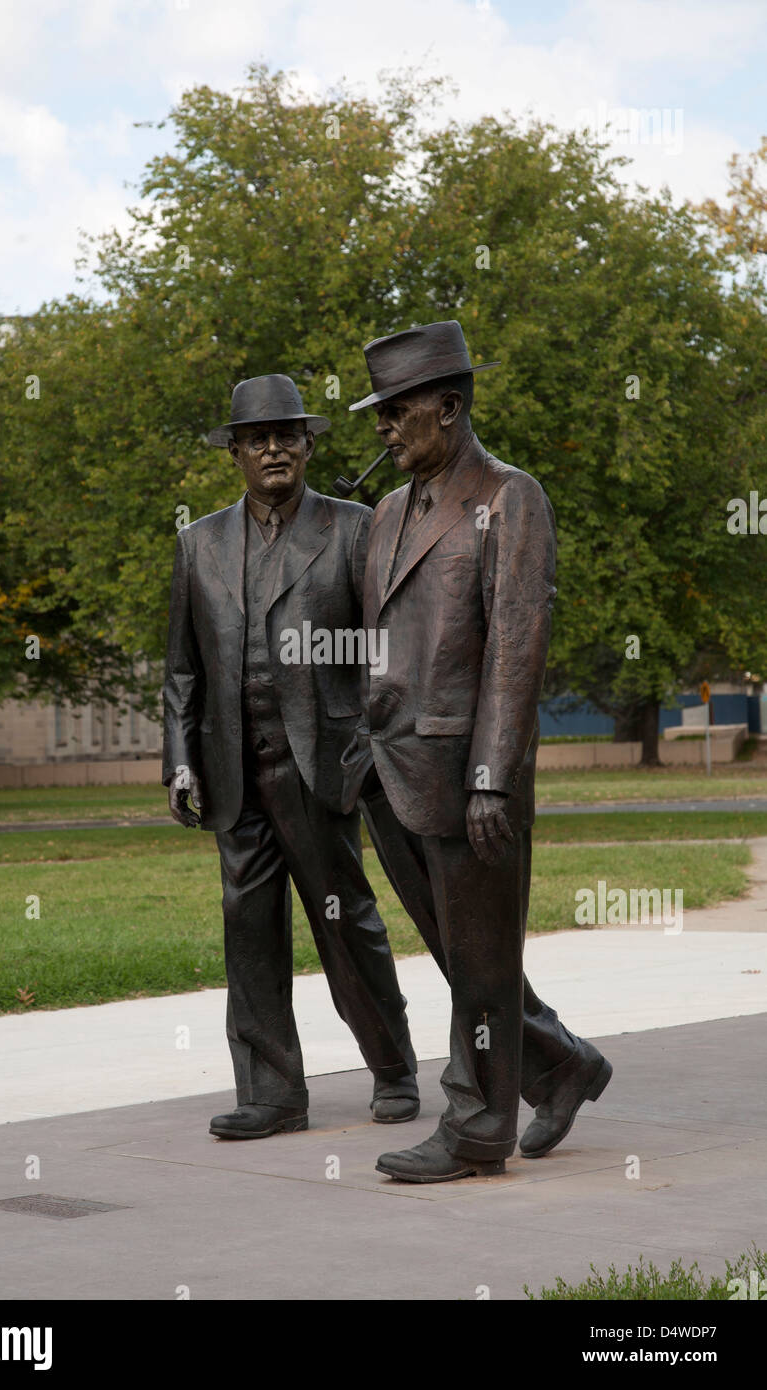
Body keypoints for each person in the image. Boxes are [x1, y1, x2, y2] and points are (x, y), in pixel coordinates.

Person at [343, 321, 612, 1182]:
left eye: (396, 412)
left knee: (483, 959)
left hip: (470, 777)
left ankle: (477, 1123)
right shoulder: (386, 513)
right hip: (391, 772)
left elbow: (515, 646)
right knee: (469, 959)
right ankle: (561, 1064)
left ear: (449, 409)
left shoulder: (511, 498)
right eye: (378, 414)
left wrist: (494, 775)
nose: (383, 429)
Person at [162, 374, 420, 1140]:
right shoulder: (198, 544)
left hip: (322, 765)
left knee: (346, 923)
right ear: (235, 453)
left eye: (286, 436)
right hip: (232, 772)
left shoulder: (355, 527)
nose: (272, 448)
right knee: (249, 932)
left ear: (308, 445)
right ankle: (272, 1093)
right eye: (256, 439)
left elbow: (388, 648)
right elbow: (182, 670)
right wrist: (180, 758)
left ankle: (394, 1067)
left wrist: (374, 742)